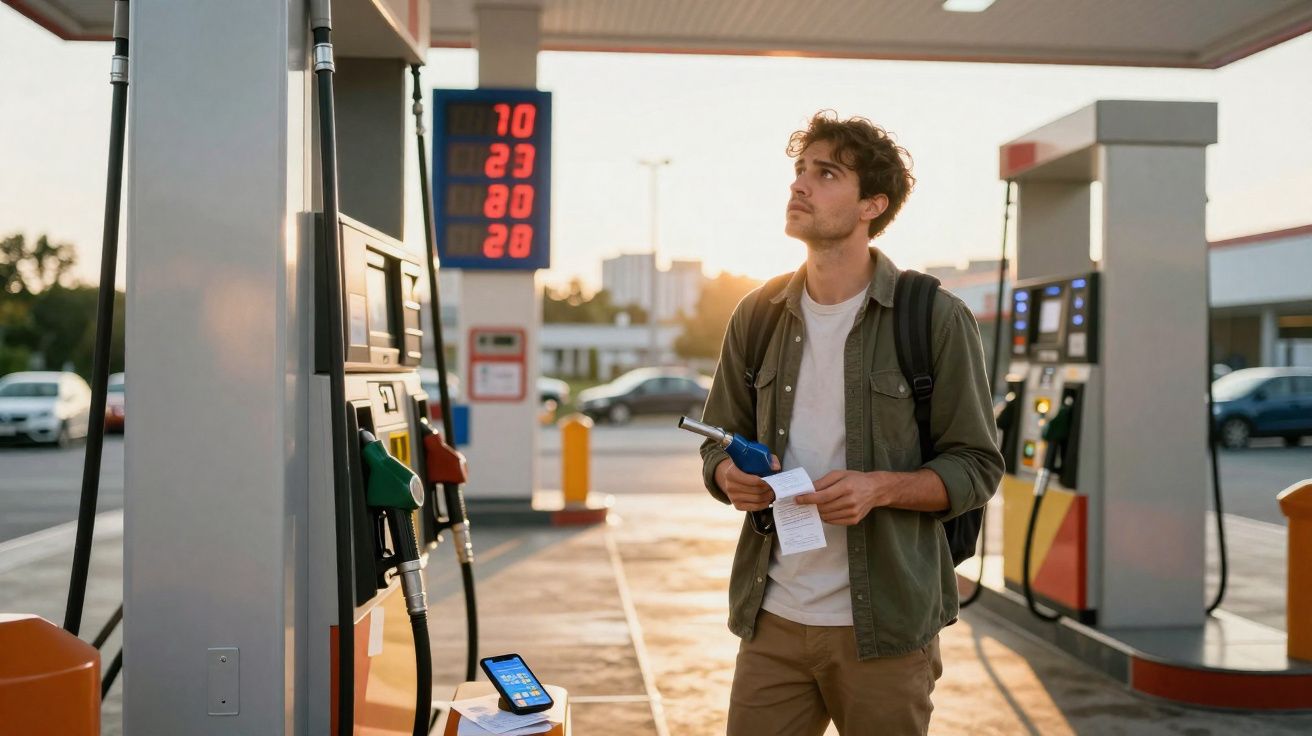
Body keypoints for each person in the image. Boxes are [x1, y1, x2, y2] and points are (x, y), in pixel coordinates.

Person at [698, 111, 1004, 735]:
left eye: (826, 173)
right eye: (799, 170)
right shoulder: (757, 315)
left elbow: (977, 466)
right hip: (773, 620)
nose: (800, 186)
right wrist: (728, 474)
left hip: (886, 631)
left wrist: (878, 488)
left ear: (872, 204)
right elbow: (715, 442)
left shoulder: (933, 318)